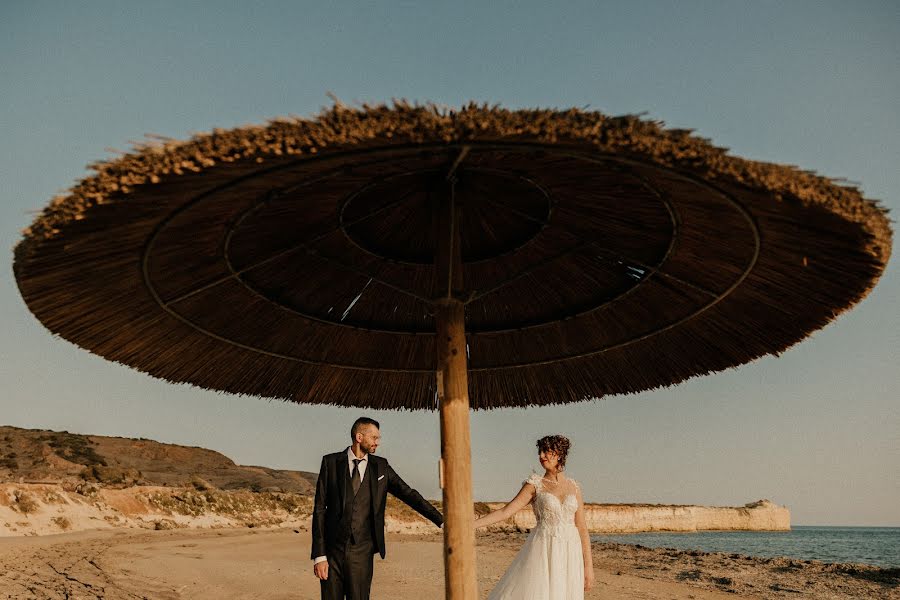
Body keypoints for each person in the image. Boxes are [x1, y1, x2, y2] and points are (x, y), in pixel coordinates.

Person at [311, 417, 443, 600]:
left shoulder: (381, 466)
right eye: (374, 438)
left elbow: (409, 494)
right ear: (359, 437)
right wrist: (319, 556)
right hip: (332, 552)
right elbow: (319, 509)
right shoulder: (330, 463)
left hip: (362, 552)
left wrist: (440, 520)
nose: (377, 442)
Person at [474, 435, 594, 599]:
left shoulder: (574, 487)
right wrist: (470, 525)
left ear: (559, 453)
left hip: (570, 552)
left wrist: (588, 567)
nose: (541, 456)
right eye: (540, 451)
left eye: (546, 451)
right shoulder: (535, 484)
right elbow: (505, 512)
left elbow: (582, 528)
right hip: (543, 549)